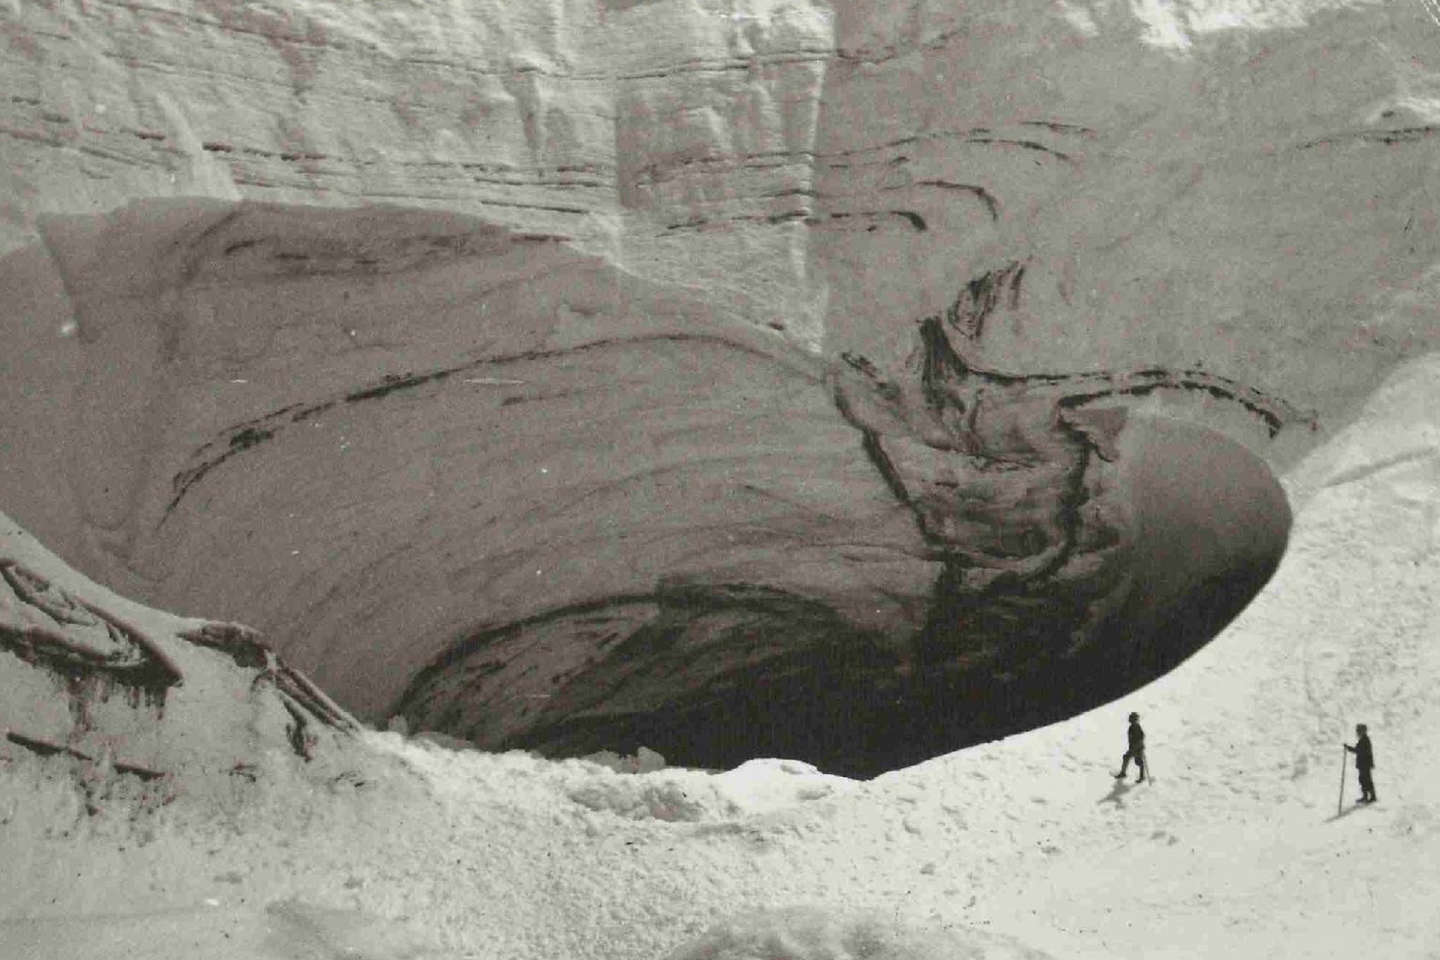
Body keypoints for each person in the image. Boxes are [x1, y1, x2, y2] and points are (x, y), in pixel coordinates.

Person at [1344, 723, 1376, 803]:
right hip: (1363, 764)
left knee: (1366, 780)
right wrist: (1349, 748)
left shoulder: (1365, 740)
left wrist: (1349, 748)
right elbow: (1358, 750)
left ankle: (1372, 797)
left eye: (1358, 731)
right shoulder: (1363, 740)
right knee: (1363, 780)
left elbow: (1359, 751)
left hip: (1365, 764)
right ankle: (1366, 796)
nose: (1357, 733)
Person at [1115, 711, 1146, 782]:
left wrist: (1137, 745)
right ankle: (1140, 776)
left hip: (1136, 747)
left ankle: (1141, 777)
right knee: (1131, 759)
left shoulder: (1133, 727)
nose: (1130, 720)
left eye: (1131, 718)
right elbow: (1142, 735)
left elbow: (1140, 736)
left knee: (1137, 761)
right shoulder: (1136, 726)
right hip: (1137, 747)